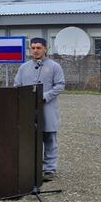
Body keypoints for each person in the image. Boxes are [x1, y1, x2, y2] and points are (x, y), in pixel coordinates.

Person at [14, 37, 65, 182]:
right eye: (33, 48)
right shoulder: (24, 67)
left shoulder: (55, 66)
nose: (35, 50)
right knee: (29, 139)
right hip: (28, 109)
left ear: (45, 49)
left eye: (39, 48)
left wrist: (45, 96)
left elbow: (60, 85)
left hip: (47, 109)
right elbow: (17, 85)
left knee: (49, 139)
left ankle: (49, 169)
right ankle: (30, 167)